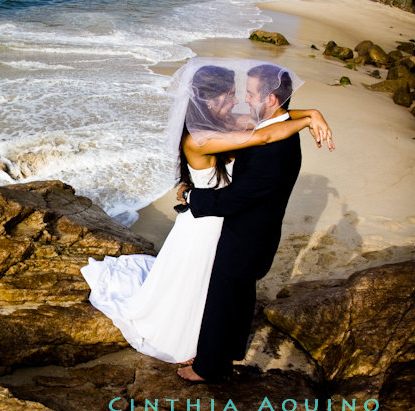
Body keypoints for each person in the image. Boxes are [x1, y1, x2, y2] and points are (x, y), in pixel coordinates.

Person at [81, 58, 333, 367]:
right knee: (194, 281)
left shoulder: (225, 125)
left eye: (240, 94)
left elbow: (271, 120)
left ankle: (205, 343)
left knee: (210, 286)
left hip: (220, 220)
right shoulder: (199, 139)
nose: (238, 100)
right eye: (229, 95)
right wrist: (309, 119)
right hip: (202, 223)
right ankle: (184, 340)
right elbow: (266, 135)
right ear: (207, 100)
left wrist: (311, 113)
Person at [175, 61, 333, 382]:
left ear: (271, 99)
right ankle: (226, 350)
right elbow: (266, 132)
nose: (245, 100)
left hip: (245, 234)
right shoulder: (272, 132)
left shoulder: (272, 148)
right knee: (237, 297)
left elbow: (236, 199)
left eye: (249, 93)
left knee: (224, 299)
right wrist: (309, 114)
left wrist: (192, 197)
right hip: (252, 233)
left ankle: (208, 368)